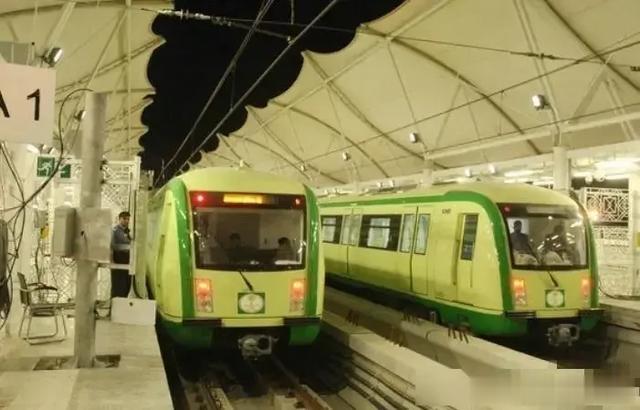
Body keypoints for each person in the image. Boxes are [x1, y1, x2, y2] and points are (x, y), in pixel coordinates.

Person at [111, 211, 132, 302]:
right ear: (119, 219)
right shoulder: (115, 231)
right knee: (118, 286)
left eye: (128, 219)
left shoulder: (128, 231)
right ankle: (115, 305)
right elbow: (112, 246)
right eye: (124, 219)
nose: (126, 221)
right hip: (119, 260)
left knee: (126, 285)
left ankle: (122, 303)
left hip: (127, 261)